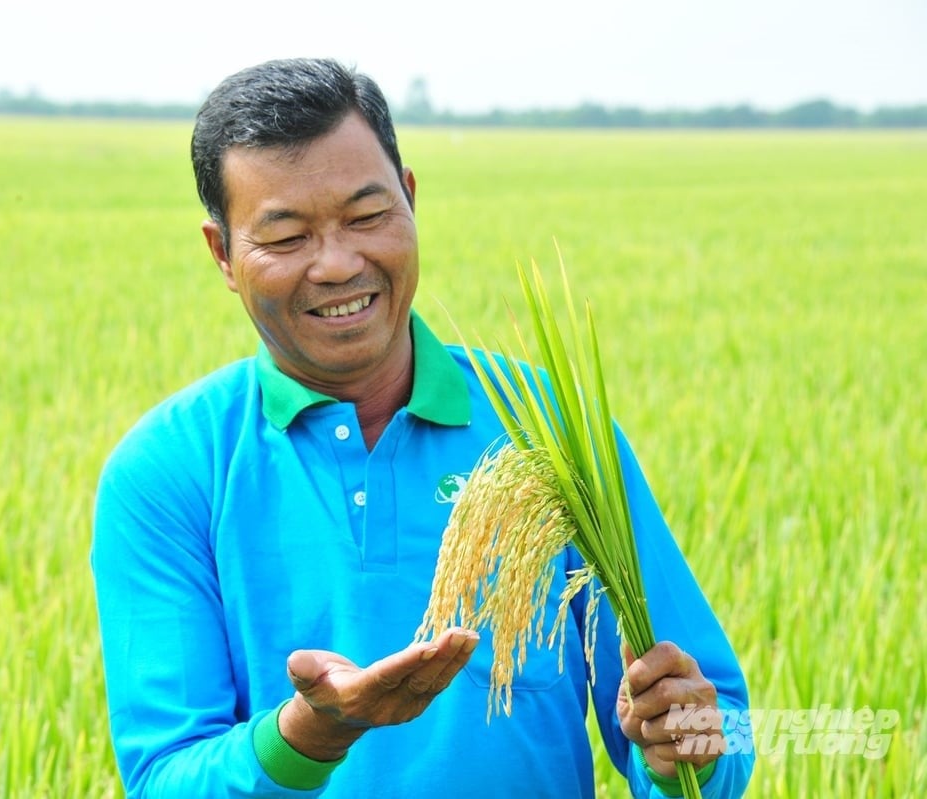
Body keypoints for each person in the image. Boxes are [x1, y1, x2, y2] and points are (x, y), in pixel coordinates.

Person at [91, 57, 754, 798]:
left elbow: (715, 718)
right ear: (223, 253)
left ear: (410, 200)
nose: (339, 264)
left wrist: (685, 749)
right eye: (285, 237)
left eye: (367, 216)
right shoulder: (170, 470)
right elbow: (161, 777)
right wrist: (313, 734)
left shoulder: (548, 430)